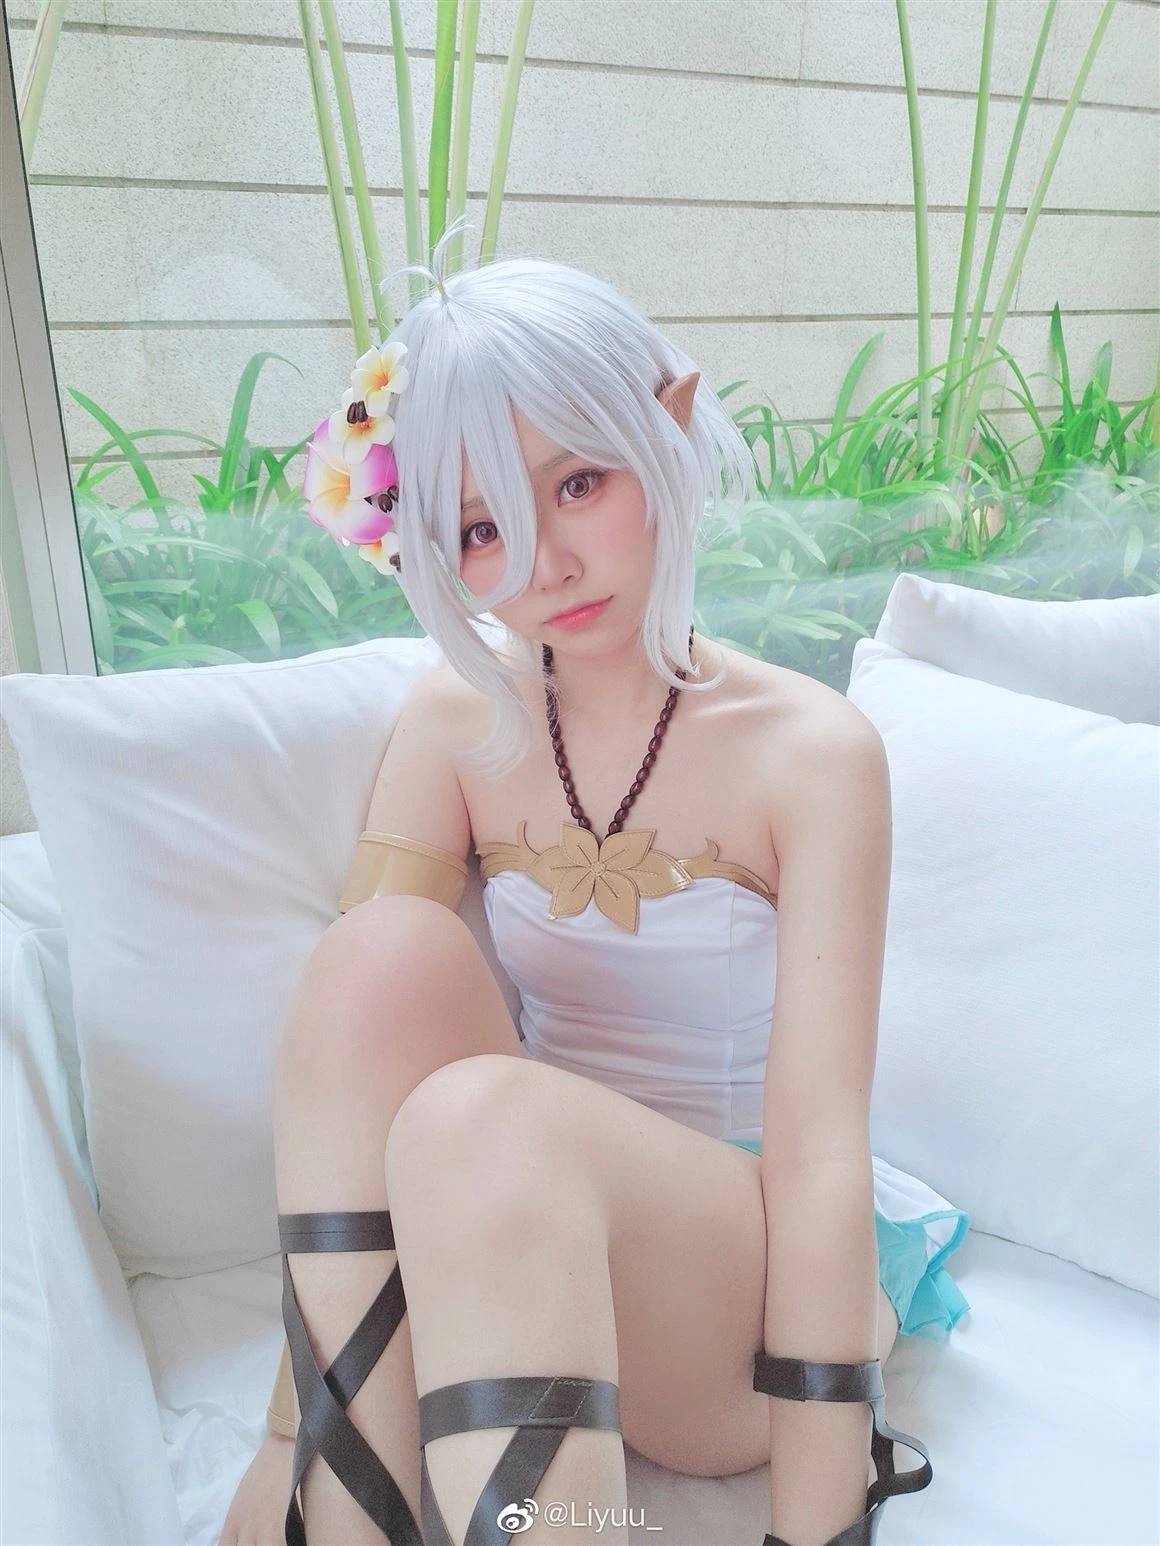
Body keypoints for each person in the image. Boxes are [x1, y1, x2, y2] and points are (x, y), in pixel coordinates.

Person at [220, 212, 970, 1546]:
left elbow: (816, 1156)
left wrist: (819, 1526)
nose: (545, 563)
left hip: (733, 1293)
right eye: (482, 526)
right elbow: (347, 1081)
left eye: (578, 485)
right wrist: (283, 1433)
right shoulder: (455, 724)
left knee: (483, 1117)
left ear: (665, 429)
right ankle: (340, 1504)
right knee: (374, 957)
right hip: (512, 1239)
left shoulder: (812, 755)